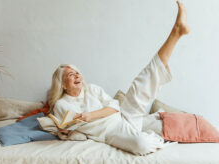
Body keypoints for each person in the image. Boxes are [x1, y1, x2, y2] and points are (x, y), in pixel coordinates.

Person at [47, 0, 190, 155]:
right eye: (70, 74)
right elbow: (69, 128)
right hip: (111, 133)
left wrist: (90, 115)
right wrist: (66, 132)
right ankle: (149, 136)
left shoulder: (92, 89)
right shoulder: (61, 105)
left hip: (123, 115)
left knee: (139, 85)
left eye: (77, 72)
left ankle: (176, 32)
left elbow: (114, 107)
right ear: (62, 84)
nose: (77, 75)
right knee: (141, 145)